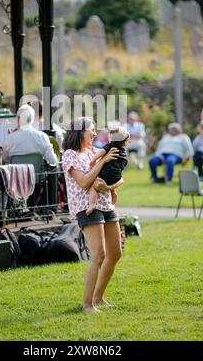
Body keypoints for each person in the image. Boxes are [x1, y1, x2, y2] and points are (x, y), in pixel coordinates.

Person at [62, 117, 123, 313]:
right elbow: (84, 182)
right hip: (85, 207)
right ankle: (87, 305)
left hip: (106, 205)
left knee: (115, 253)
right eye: (92, 129)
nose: (95, 133)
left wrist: (109, 186)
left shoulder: (93, 151)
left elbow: (120, 177)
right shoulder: (70, 155)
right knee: (98, 255)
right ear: (80, 132)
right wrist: (102, 161)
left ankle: (98, 297)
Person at [86, 126, 129, 216]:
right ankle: (113, 199)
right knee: (112, 188)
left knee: (93, 186)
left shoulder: (110, 147)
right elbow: (124, 164)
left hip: (106, 174)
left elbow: (101, 152)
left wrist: (93, 160)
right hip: (117, 176)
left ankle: (92, 204)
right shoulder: (123, 153)